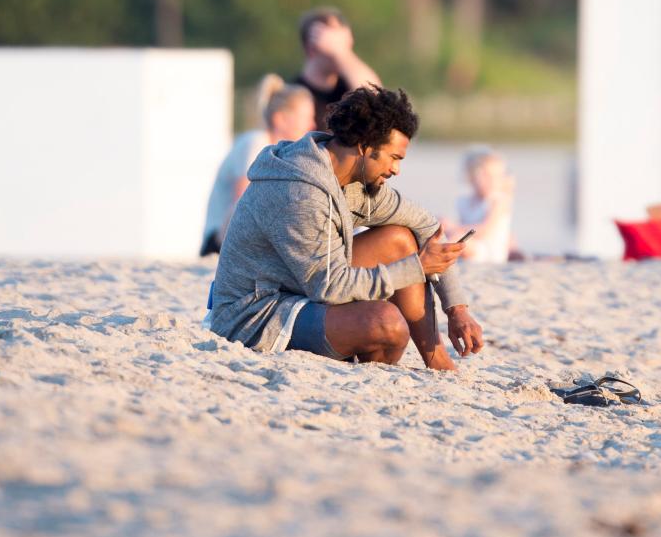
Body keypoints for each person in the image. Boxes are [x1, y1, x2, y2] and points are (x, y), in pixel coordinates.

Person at [205, 85, 483, 370]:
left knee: (399, 240)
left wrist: (457, 309)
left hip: (299, 286)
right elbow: (330, 287)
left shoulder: (355, 180)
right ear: (364, 147)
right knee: (387, 324)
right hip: (255, 314)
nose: (396, 170)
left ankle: (437, 361)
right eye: (394, 158)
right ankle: (368, 363)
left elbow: (427, 226)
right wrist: (416, 268)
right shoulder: (301, 193)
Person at [200, 74, 315, 256]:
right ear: (281, 119)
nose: (312, 124)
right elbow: (243, 201)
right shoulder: (256, 142)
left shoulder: (283, 153)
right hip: (219, 243)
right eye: (306, 117)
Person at [294, 6, 381, 131]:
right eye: (332, 44)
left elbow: (377, 104)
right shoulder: (294, 94)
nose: (342, 53)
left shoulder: (348, 89)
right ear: (311, 48)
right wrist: (340, 52)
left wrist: (343, 53)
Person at [444, 146, 518, 264]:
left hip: (489, 251)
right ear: (471, 177)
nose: (492, 181)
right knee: (441, 225)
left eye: (497, 176)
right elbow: (463, 224)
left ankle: (442, 263)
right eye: (486, 176)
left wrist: (455, 228)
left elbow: (486, 229)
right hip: (473, 246)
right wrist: (448, 227)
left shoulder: (498, 201)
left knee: (456, 237)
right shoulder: (464, 201)